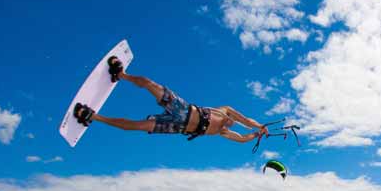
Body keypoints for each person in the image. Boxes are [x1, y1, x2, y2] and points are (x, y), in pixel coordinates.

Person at [73, 56, 268, 143]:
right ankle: (121, 74)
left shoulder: (223, 131)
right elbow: (246, 121)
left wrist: (256, 135)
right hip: (183, 109)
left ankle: (93, 117)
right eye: (235, 121)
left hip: (177, 127)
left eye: (234, 124)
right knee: (151, 84)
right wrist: (259, 125)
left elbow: (243, 138)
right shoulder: (224, 111)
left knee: (136, 126)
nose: (235, 123)